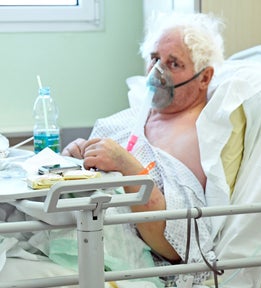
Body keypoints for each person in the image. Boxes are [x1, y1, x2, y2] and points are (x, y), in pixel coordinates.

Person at [60, 11, 224, 264]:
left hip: (125, 257)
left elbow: (176, 245)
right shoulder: (130, 119)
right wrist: (77, 156)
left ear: (204, 77)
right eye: (155, 58)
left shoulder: (201, 137)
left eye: (174, 63)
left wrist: (126, 165)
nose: (157, 72)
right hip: (80, 229)